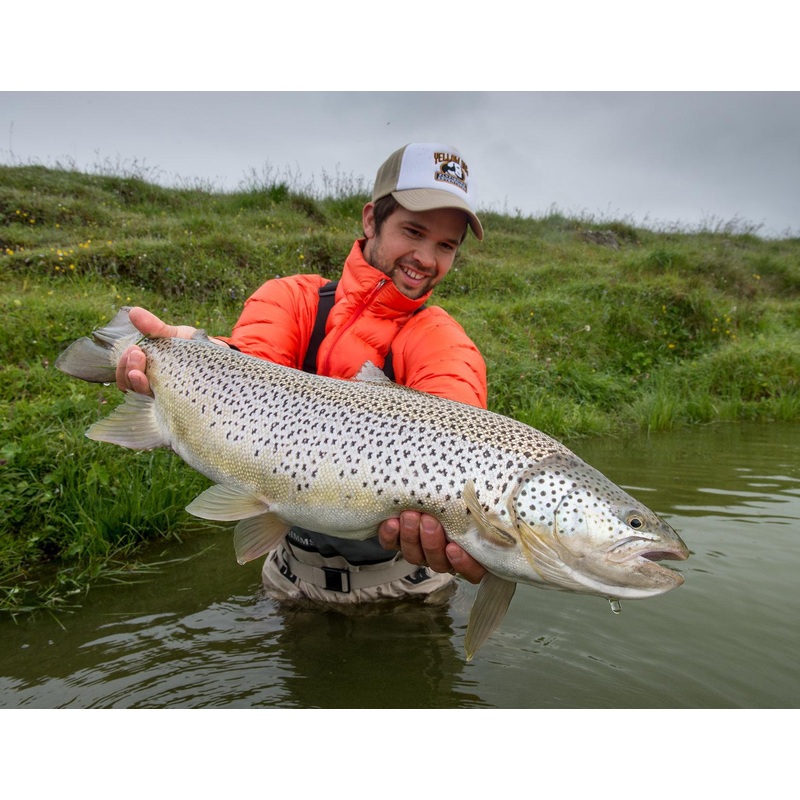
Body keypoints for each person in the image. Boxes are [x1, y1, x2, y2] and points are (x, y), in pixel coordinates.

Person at [116, 142, 488, 606]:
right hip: (292, 580)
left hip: (412, 589)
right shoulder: (290, 299)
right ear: (371, 219)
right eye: (412, 231)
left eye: (446, 246)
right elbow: (250, 369)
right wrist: (196, 357)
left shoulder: (442, 338)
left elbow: (464, 432)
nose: (426, 259)